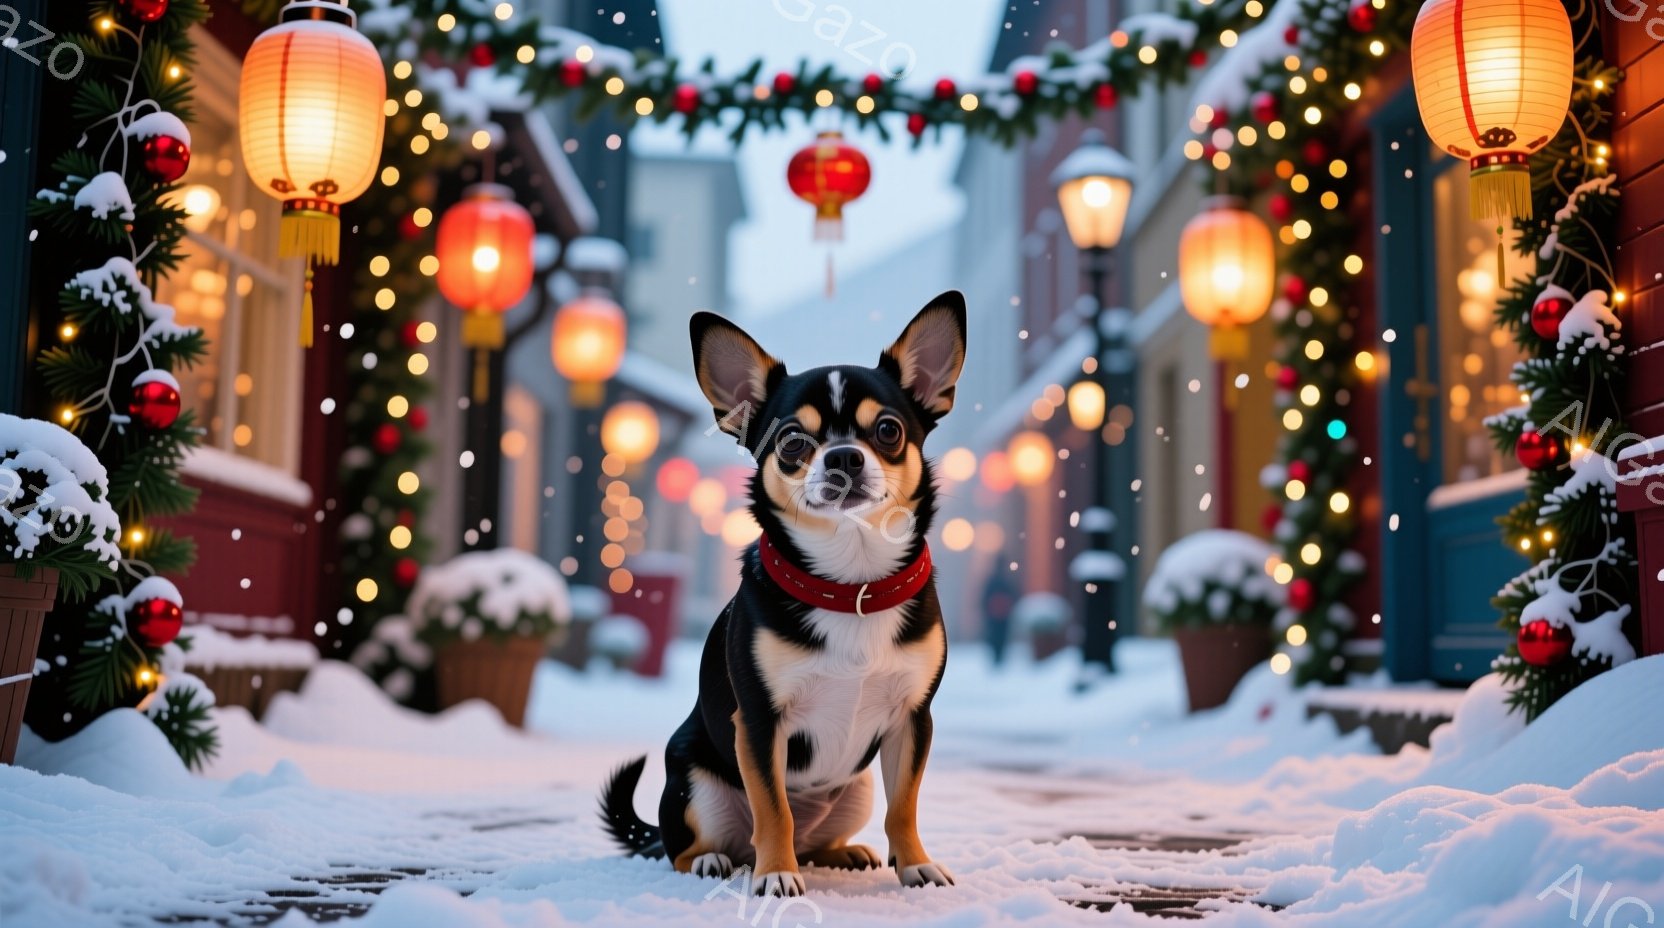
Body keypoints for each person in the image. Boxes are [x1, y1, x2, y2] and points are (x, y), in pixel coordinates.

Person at [980, 554, 1019, 667]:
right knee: (1000, 636)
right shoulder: (1006, 580)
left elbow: (985, 597)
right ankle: (998, 657)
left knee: (996, 636)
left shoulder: (993, 580)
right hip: (1000, 613)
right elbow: (1013, 595)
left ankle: (998, 657)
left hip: (997, 614)